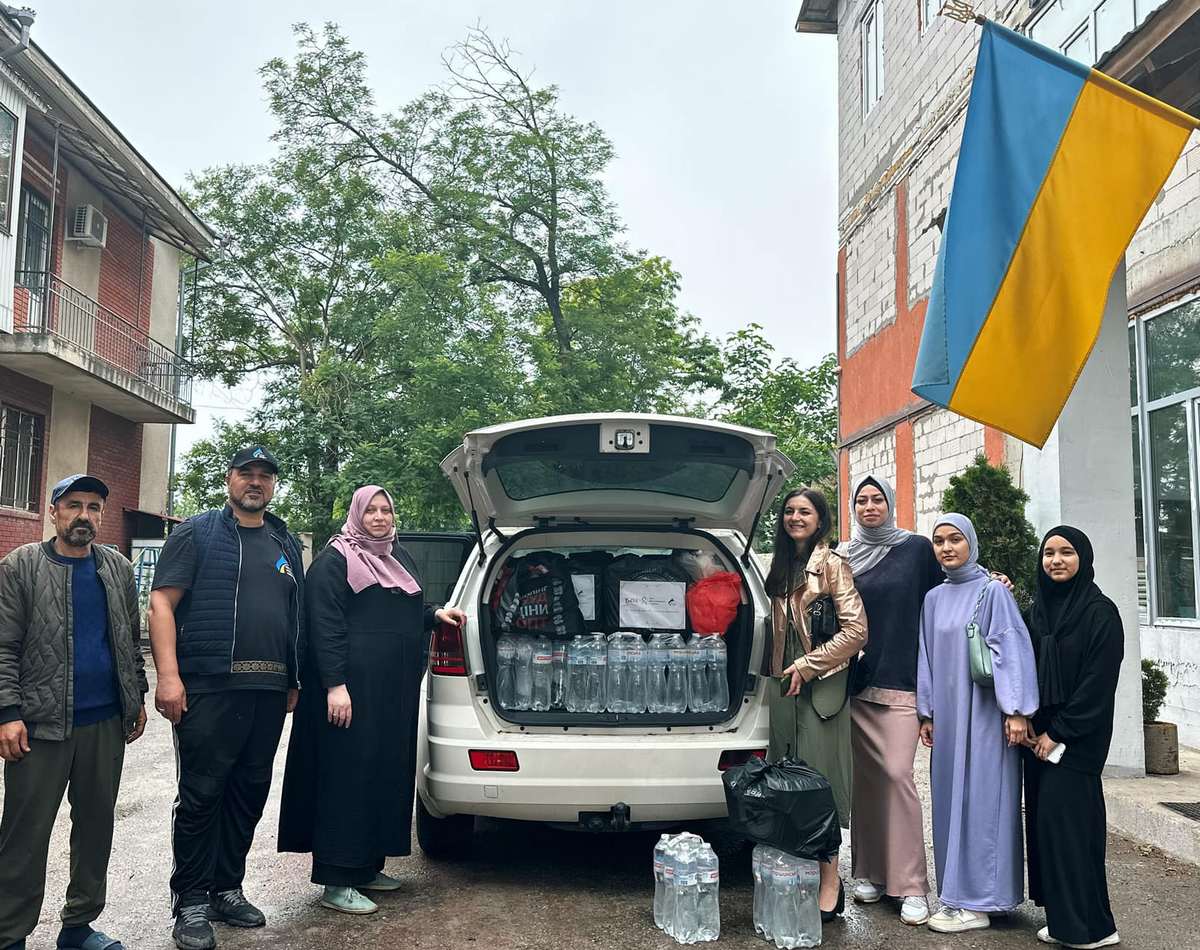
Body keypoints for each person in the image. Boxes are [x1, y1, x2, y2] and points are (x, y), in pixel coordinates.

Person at [278, 485, 466, 914]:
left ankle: (365, 866)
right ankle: (336, 878)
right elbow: (324, 626)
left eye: (386, 510)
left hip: (391, 692)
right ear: (356, 514)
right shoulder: (335, 560)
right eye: (372, 511)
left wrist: (435, 614)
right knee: (347, 779)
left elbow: (401, 610)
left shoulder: (395, 557)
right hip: (349, 692)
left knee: (383, 773)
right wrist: (334, 685)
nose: (380, 517)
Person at [148, 446, 305, 950]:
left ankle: (227, 888)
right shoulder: (197, 532)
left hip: (268, 690)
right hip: (210, 686)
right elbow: (161, 603)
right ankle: (190, 900)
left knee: (249, 791)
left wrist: (294, 678)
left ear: (273, 484)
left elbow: (294, 614)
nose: (255, 482)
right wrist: (168, 677)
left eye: (264, 475)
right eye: (246, 474)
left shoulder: (284, 540)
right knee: (201, 796)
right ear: (230, 479)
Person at [0, 474, 148, 950]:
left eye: (94, 507)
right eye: (75, 505)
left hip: (104, 722)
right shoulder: (19, 567)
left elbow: (128, 638)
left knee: (96, 829)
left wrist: (136, 697)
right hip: (39, 728)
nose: (85, 515)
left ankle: (79, 928)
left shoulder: (116, 569)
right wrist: (6, 712)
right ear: (54, 511)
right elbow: (3, 647)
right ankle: (9, 934)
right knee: (24, 837)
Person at [917, 513, 1038, 934]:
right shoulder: (933, 598)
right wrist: (926, 712)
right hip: (950, 721)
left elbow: (1013, 649)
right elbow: (926, 658)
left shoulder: (993, 593)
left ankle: (982, 900)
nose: (947, 548)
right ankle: (958, 893)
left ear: (971, 543)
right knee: (952, 801)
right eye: (939, 541)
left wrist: (1018, 710)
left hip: (986, 718)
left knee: (986, 801)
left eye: (955, 540)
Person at [765, 487, 867, 923]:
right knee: (786, 788)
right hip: (783, 688)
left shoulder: (833, 566)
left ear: (820, 519)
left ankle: (831, 882)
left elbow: (857, 631)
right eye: (788, 511)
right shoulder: (781, 564)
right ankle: (798, 878)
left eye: (804, 511)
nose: (794, 517)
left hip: (819, 686)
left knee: (820, 789)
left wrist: (807, 665)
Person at [844, 475, 940, 926]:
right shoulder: (842, 556)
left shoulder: (917, 549)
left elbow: (945, 591)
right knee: (866, 783)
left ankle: (912, 886)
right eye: (861, 500)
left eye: (877, 498)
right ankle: (868, 873)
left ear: (890, 502)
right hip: (856, 686)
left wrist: (990, 580)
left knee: (898, 777)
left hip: (903, 682)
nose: (869, 506)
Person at [1023, 527, 1122, 949]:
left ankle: (1088, 929)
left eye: (1066, 552)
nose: (1056, 560)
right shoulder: (1037, 611)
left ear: (1083, 557)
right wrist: (1027, 722)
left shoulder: (1100, 612)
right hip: (1037, 739)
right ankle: (1071, 921)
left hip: (1076, 741)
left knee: (1073, 832)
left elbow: (1097, 685)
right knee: (1048, 831)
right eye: (1049, 553)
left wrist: (1057, 733)